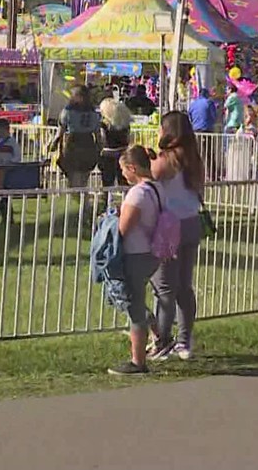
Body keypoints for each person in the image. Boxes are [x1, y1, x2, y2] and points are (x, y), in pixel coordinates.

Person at [149, 111, 205, 361]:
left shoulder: (168, 159)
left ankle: (162, 340)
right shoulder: (193, 157)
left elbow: (149, 175)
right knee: (184, 286)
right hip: (192, 222)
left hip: (170, 225)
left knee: (165, 288)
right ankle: (185, 340)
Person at [107, 146, 166, 376]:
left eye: (124, 170)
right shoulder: (158, 188)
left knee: (133, 306)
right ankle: (158, 335)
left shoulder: (137, 193)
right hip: (153, 252)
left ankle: (137, 361)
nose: (122, 175)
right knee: (137, 300)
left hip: (136, 252)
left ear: (132, 168)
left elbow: (124, 227)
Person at [56, 86, 102, 188]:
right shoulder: (93, 113)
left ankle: (77, 198)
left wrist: (55, 143)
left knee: (73, 176)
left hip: (73, 143)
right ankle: (83, 199)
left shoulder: (67, 111)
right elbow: (97, 132)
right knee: (84, 177)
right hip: (88, 142)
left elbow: (61, 130)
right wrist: (99, 147)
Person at [98, 97, 132, 187]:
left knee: (107, 182)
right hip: (122, 152)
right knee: (123, 181)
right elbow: (128, 138)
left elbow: (103, 139)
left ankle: (107, 200)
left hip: (108, 154)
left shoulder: (104, 124)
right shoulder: (125, 123)